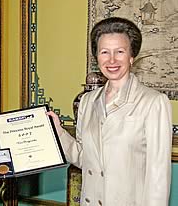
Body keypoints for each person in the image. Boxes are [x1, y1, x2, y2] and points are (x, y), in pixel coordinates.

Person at [48, 17, 172, 205]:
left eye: (120, 52)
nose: (112, 60)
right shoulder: (88, 101)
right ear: (96, 57)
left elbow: (158, 176)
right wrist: (57, 132)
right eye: (104, 52)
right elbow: (84, 158)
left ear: (132, 57)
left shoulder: (153, 102)